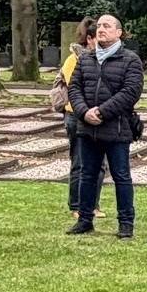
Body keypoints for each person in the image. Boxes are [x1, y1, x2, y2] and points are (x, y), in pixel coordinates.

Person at [68, 14, 145, 238]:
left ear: (119, 33)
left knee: (121, 176)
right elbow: (74, 89)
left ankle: (125, 223)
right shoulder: (86, 59)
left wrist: (102, 112)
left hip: (116, 128)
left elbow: (130, 92)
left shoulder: (130, 60)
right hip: (87, 128)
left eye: (107, 26)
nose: (101, 29)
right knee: (87, 175)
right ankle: (84, 219)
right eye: (99, 26)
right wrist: (84, 112)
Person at [56, 17, 98, 218]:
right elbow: (77, 90)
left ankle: (93, 205)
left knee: (100, 164)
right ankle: (76, 205)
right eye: (98, 36)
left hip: (98, 116)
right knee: (80, 161)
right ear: (89, 39)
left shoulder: (102, 58)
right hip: (76, 115)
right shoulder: (73, 60)